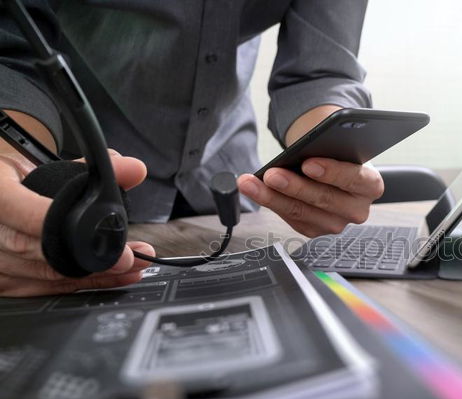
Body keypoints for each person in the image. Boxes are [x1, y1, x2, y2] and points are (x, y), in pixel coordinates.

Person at [0, 0, 384, 297]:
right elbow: (13, 51)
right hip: (75, 195)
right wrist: (11, 158)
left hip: (227, 186)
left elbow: (321, 69)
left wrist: (326, 158)